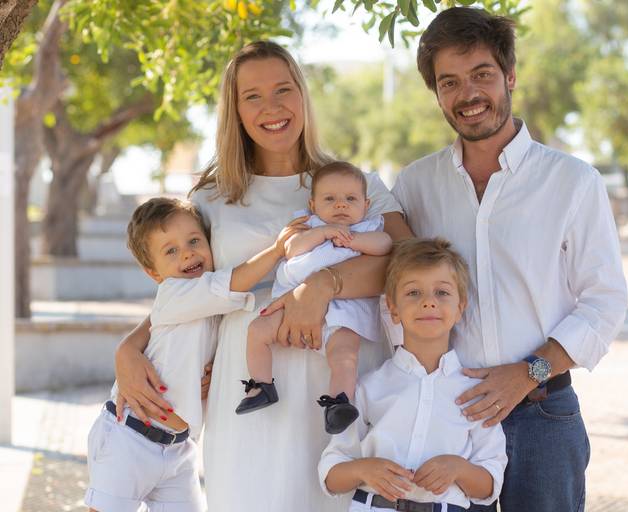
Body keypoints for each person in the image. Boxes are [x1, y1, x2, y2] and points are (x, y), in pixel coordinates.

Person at [111, 41, 410, 511]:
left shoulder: (357, 185)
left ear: (303, 96)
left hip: (339, 380)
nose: (271, 108)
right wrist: (130, 346)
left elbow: (406, 265)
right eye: (252, 96)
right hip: (247, 390)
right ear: (235, 110)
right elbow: (187, 290)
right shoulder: (209, 198)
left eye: (283, 90)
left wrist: (320, 288)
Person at [391, 7, 628, 511]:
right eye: (449, 82)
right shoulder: (414, 186)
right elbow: (388, 289)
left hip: (544, 413)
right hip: (448, 414)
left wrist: (528, 372)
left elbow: (604, 302)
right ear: (436, 93)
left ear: (510, 76)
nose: (468, 95)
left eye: (482, 75)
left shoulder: (572, 182)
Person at [84, 197, 305, 511]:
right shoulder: (176, 294)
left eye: (194, 240)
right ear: (153, 273)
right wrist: (278, 249)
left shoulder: (208, 304)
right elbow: (236, 281)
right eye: (170, 250)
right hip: (129, 438)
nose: (187, 252)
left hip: (177, 449)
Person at [319, 238, 507, 512]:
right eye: (413, 293)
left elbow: (490, 484)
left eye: (442, 293)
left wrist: (459, 469)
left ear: (460, 307)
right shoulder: (369, 387)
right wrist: (363, 469)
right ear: (393, 308)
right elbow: (331, 473)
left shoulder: (476, 394)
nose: (428, 302)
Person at [237, 161, 393, 437]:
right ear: (313, 204)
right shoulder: (307, 225)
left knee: (345, 356)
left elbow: (386, 246)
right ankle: (261, 385)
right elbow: (291, 250)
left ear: (366, 204)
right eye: (330, 199)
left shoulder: (369, 228)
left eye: (350, 199)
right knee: (257, 330)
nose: (341, 205)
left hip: (346, 311)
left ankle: (338, 403)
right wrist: (321, 233)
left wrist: (354, 241)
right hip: (292, 303)